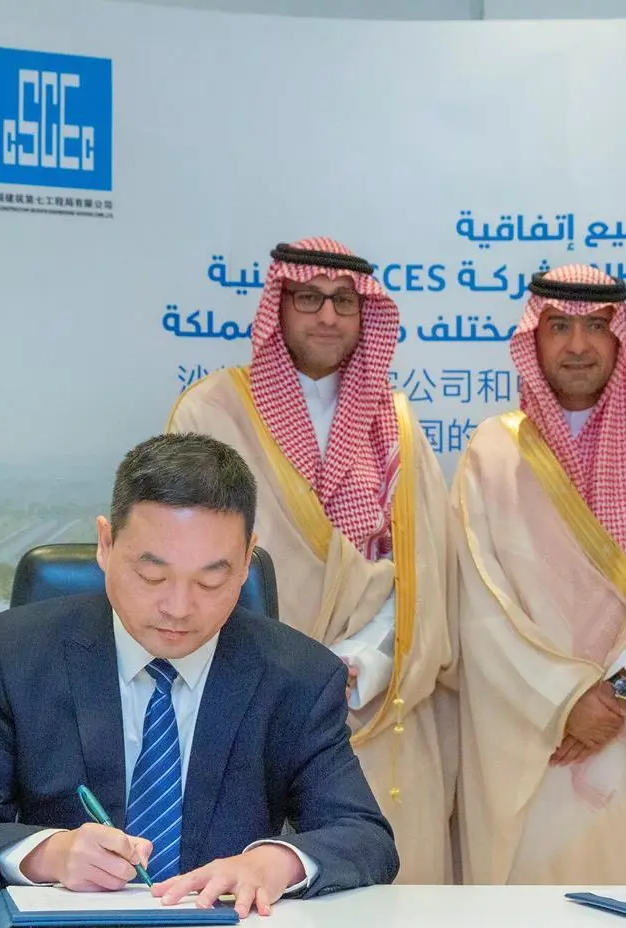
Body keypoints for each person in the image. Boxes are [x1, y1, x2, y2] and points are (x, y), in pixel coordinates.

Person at [0, 433, 399, 914]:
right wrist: (51, 855)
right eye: (152, 576)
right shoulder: (19, 654)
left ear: (246, 559)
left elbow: (365, 837)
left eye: (211, 579)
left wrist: (275, 863)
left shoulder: (299, 676)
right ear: (106, 544)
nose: (178, 607)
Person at [166, 237, 456, 884]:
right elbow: (187, 563)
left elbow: (424, 569)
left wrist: (364, 660)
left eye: (344, 302)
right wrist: (297, 672)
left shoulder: (397, 422)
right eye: (309, 298)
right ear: (279, 305)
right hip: (249, 699)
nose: (328, 316)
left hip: (375, 698)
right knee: (246, 895)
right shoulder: (212, 413)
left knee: (379, 896)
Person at [453, 266, 626, 885]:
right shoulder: (491, 454)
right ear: (534, 338)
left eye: (595, 328)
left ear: (619, 339)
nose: (578, 346)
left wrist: (617, 692)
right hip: (536, 741)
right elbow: (480, 609)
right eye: (559, 327)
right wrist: (565, 701)